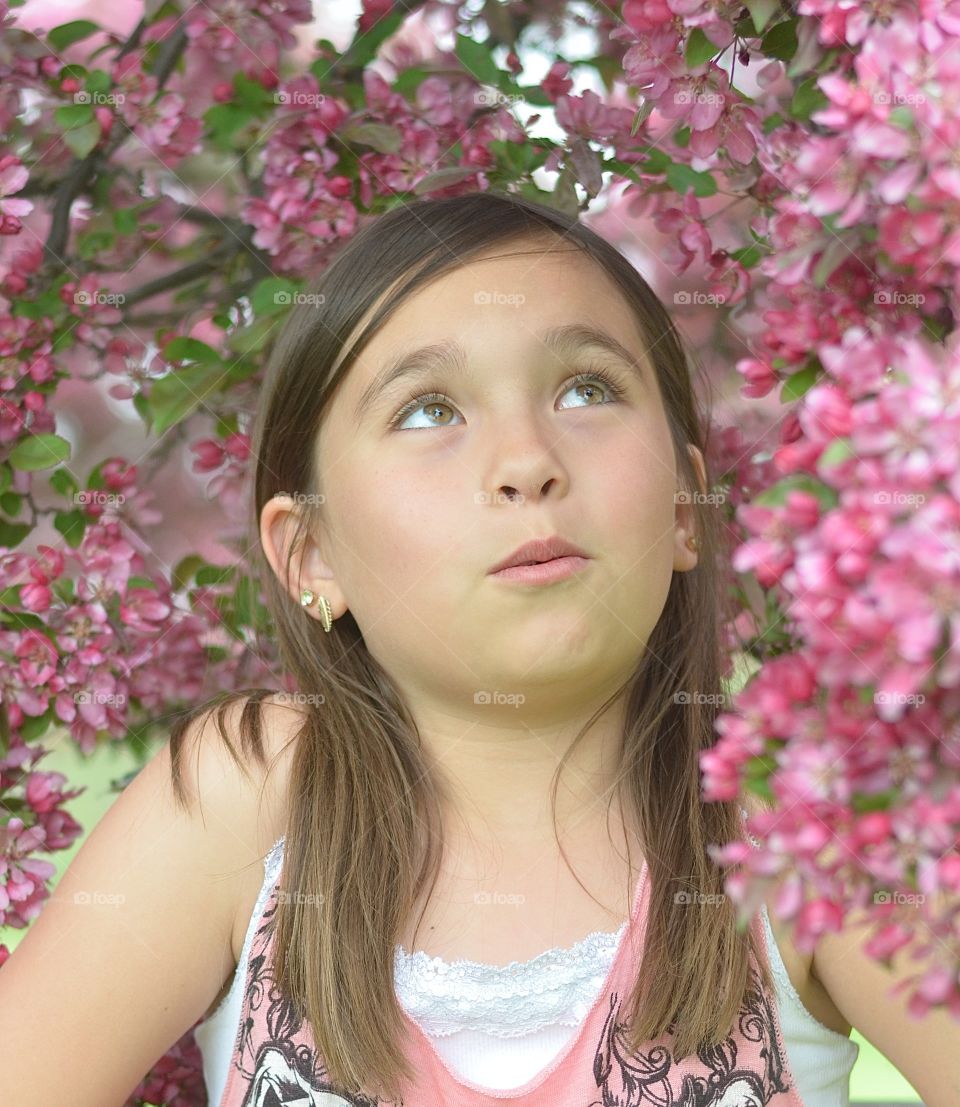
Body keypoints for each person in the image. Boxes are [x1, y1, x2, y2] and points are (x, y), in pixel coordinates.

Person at [2, 190, 955, 1107]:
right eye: (429, 410)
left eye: (588, 388)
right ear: (312, 553)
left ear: (684, 509)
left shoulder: (796, 823)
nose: (526, 460)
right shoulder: (245, 798)